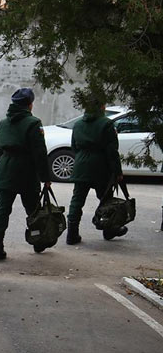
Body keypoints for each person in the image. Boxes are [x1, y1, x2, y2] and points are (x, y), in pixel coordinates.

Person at [0, 88, 51, 259]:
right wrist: (45, 177)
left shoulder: (3, 123)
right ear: (30, 105)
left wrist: (6, 159)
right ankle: (38, 242)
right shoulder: (33, 123)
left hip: (6, 169)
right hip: (27, 172)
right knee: (33, 210)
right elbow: (40, 152)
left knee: (2, 209)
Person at [67, 98, 126, 244]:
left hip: (81, 166)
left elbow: (74, 146)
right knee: (106, 200)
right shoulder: (106, 124)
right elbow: (112, 151)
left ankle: (72, 234)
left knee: (77, 201)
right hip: (101, 167)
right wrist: (117, 171)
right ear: (102, 106)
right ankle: (109, 230)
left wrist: (82, 158)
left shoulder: (78, 124)